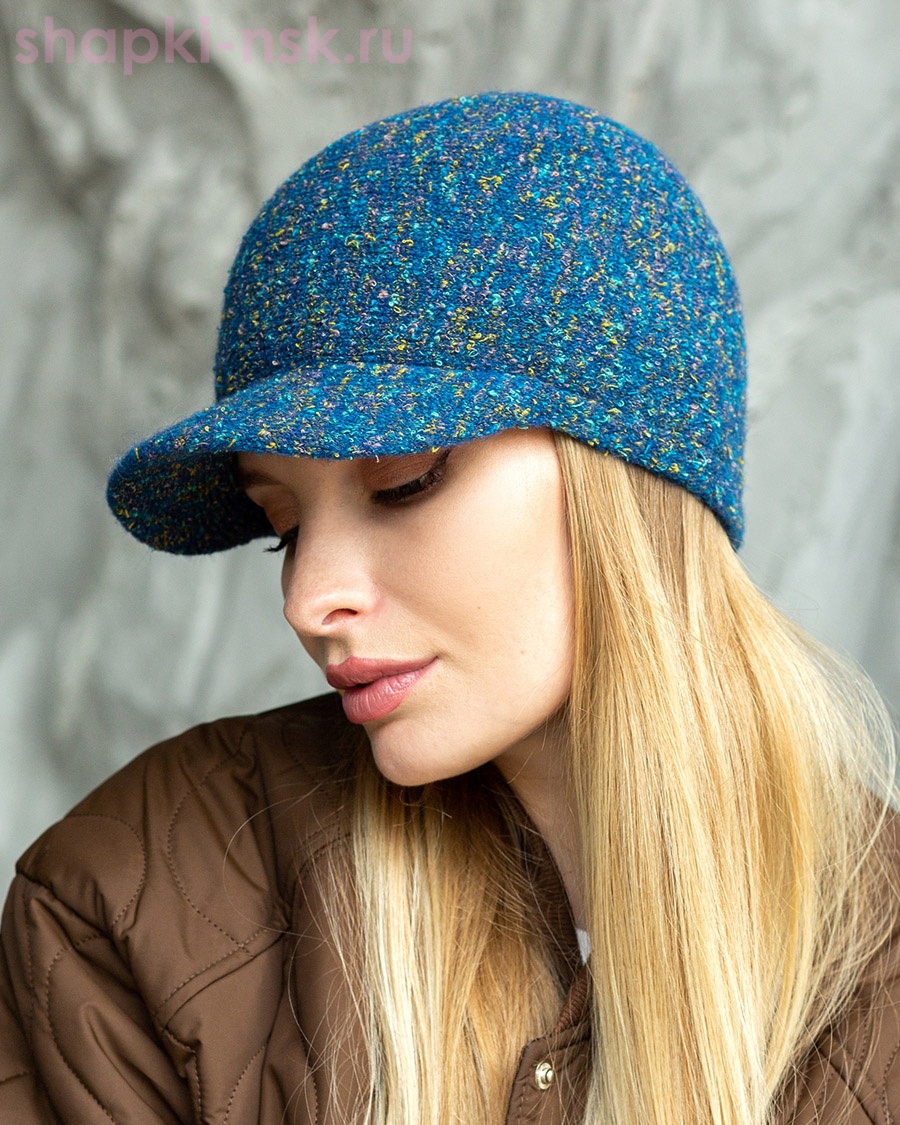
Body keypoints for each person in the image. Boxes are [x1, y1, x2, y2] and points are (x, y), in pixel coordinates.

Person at [1, 90, 898, 1125]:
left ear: (625, 481)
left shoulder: (879, 971)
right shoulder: (136, 895)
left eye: (403, 482)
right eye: (281, 524)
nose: (309, 599)